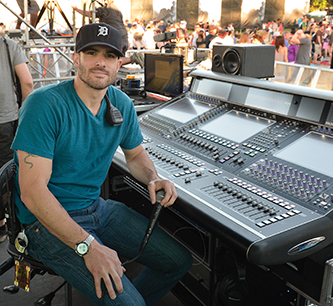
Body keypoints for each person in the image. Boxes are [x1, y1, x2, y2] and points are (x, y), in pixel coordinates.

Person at [11, 23, 192, 305]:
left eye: (109, 56)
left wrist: (152, 177)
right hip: (43, 225)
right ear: (76, 58)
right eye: (91, 52)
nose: (100, 62)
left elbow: (135, 155)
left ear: (120, 62)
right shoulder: (44, 105)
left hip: (97, 208)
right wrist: (88, 246)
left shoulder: (121, 103)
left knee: (177, 261)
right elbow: (33, 193)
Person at [0, 32, 34, 242]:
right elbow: (27, 82)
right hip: (5, 119)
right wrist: (27, 115)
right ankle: (8, 226)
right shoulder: (8, 45)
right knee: (7, 175)